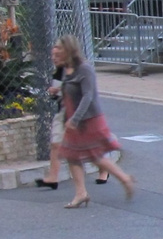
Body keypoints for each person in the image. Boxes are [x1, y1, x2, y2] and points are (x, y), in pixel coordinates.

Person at [56, 35, 135, 208]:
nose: (55, 51)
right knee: (72, 155)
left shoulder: (84, 69)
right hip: (74, 121)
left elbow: (88, 96)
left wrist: (75, 119)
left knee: (94, 155)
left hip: (88, 120)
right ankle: (81, 193)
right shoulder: (65, 69)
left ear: (69, 49)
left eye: (59, 48)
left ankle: (124, 179)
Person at [35, 54, 107, 190]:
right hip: (62, 112)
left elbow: (84, 94)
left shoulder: (81, 70)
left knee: (86, 146)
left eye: (57, 55)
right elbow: (58, 97)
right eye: (53, 55)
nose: (54, 58)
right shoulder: (59, 72)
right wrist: (54, 93)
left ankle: (103, 169)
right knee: (56, 144)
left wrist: (60, 91)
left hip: (78, 114)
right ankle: (53, 178)